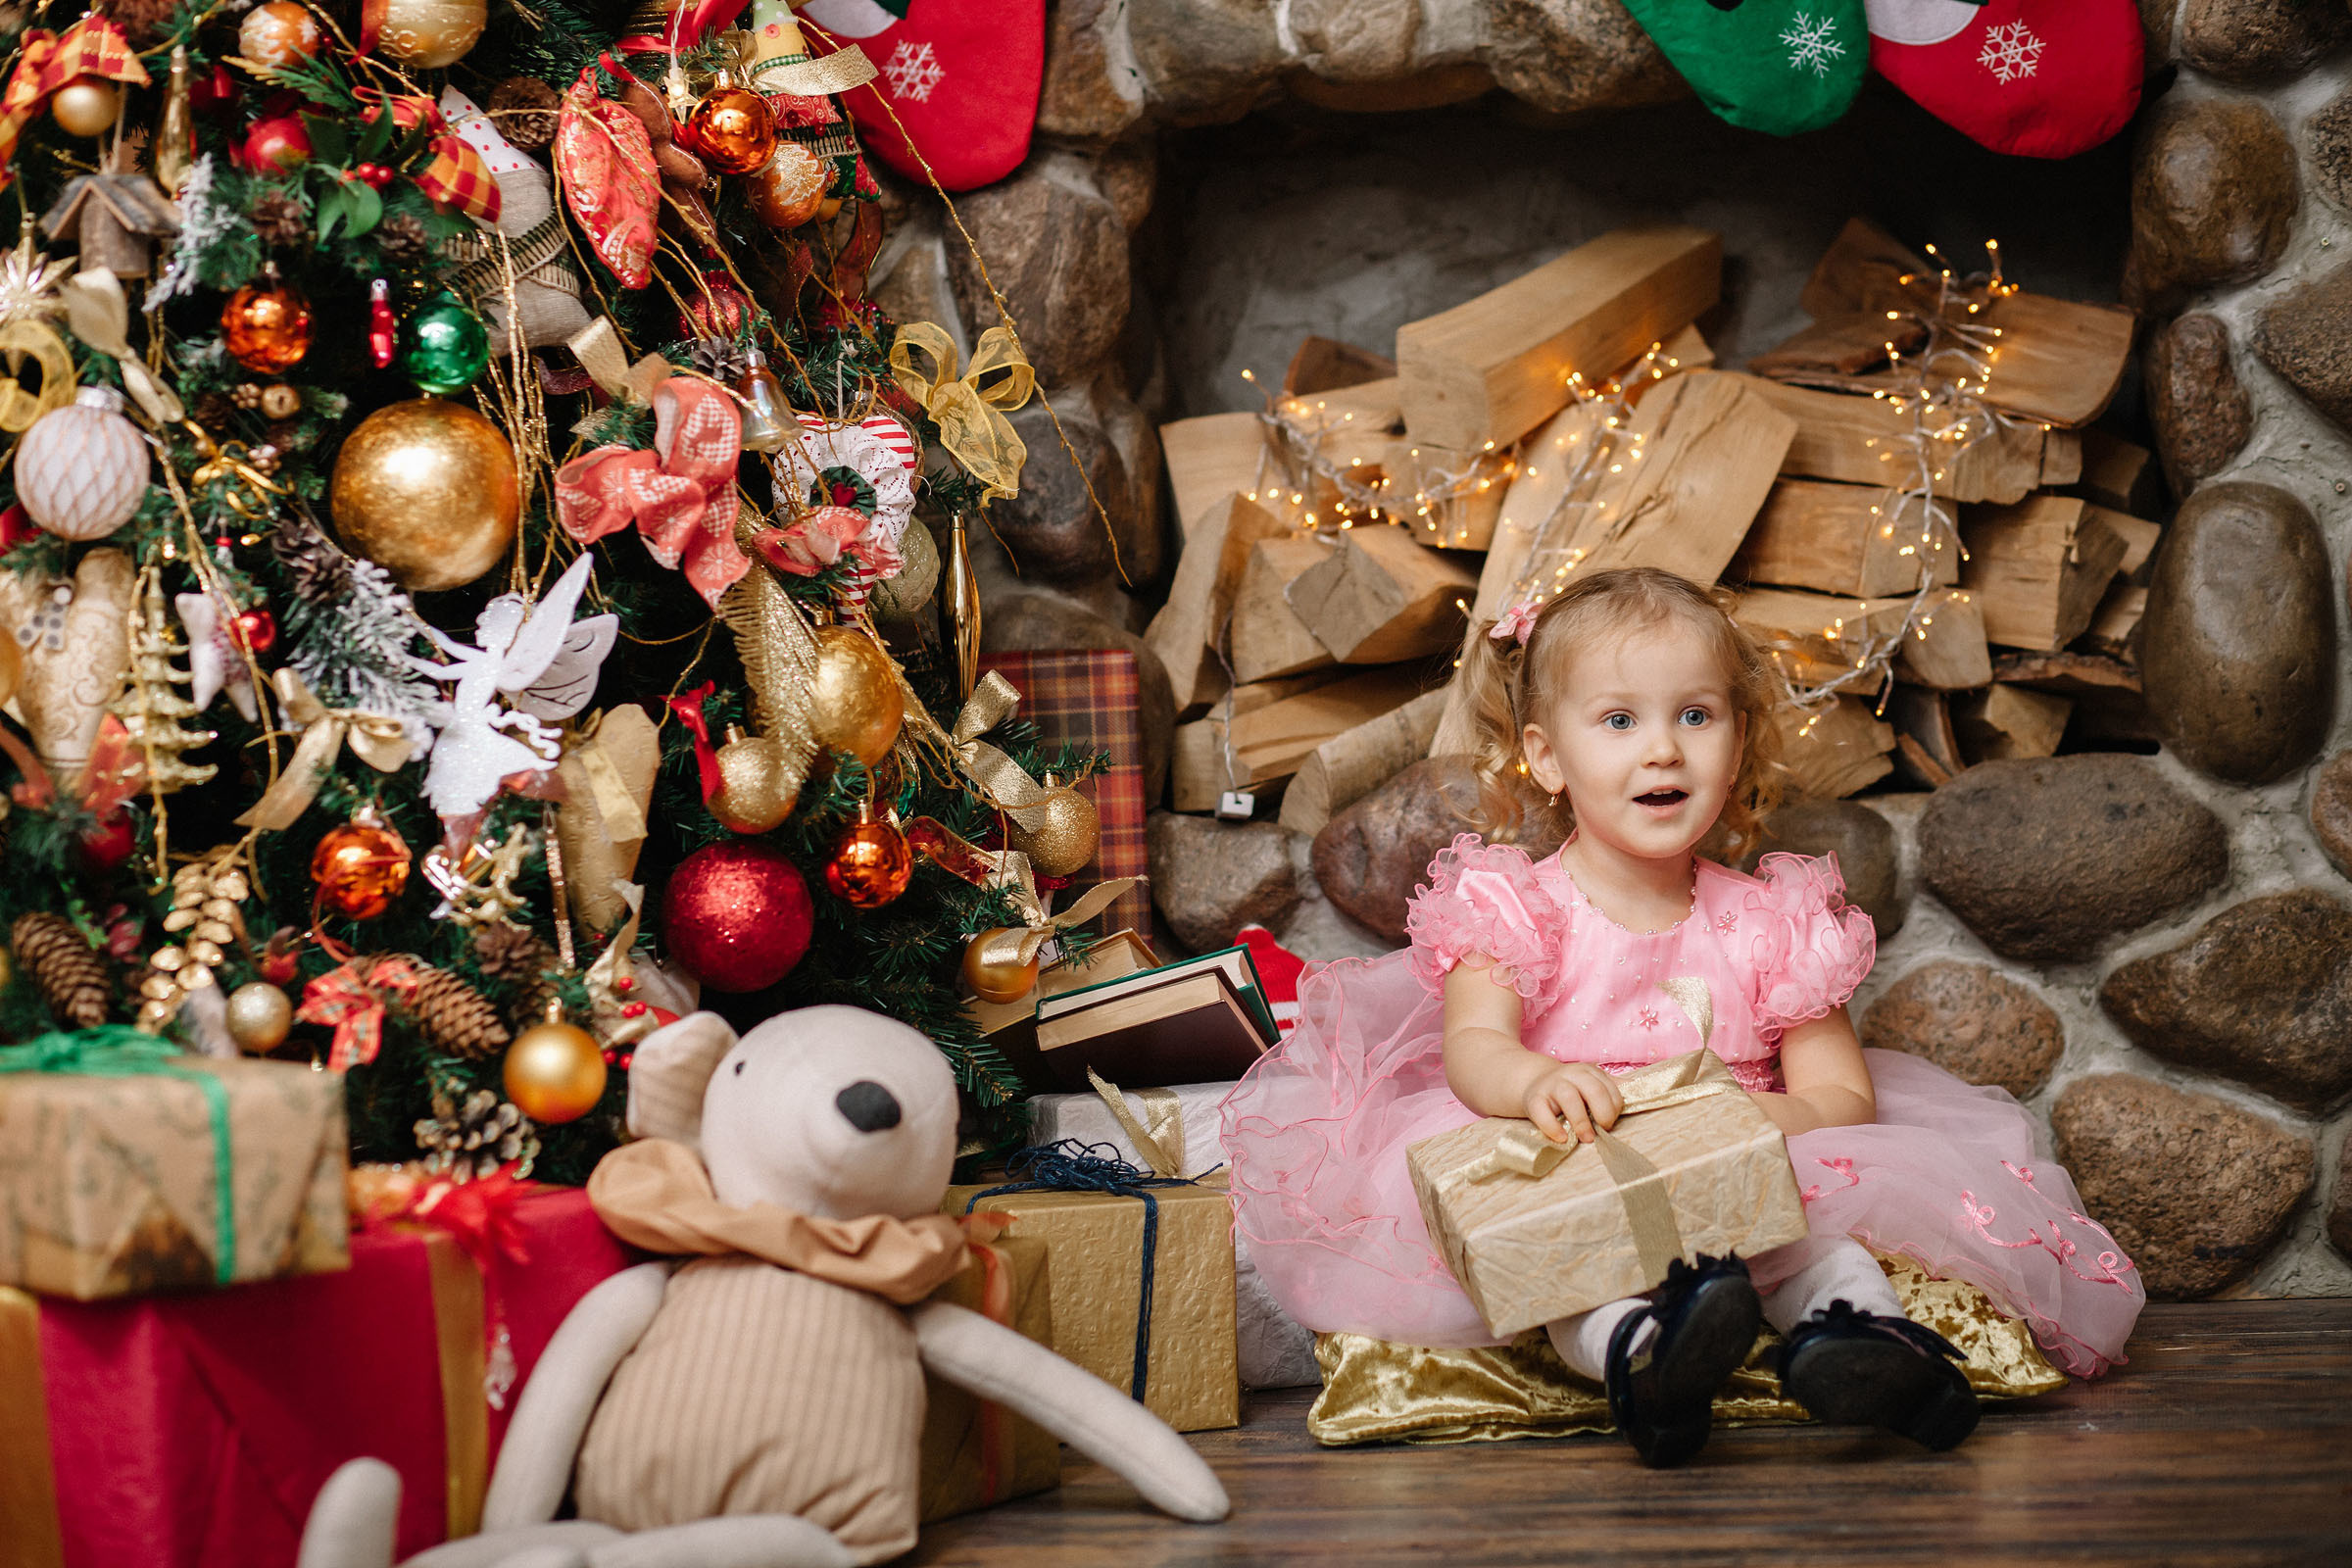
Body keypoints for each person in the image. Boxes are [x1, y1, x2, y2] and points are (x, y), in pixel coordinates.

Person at [1220, 566, 2144, 1466]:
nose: (1663, 749)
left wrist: (1779, 1117)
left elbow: (1842, 1095)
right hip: (1579, 1154)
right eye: (1619, 721)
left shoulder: (1773, 923)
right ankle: (1646, 1358)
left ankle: (1860, 1349)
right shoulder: (1515, 908)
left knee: (1812, 1243)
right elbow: (1473, 1047)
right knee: (1573, 1270)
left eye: (1694, 716)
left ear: (1737, 742)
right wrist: (1535, 1080)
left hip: (1741, 1166)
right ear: (1547, 756)